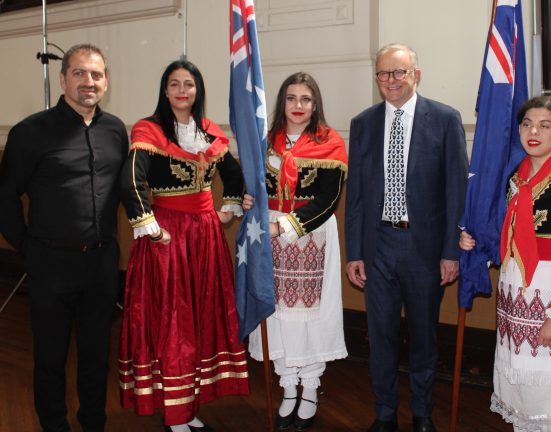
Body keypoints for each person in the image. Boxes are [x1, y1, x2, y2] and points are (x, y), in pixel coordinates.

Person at [0, 44, 127, 432]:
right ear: (63, 79)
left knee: (95, 355)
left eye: (97, 74)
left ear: (105, 81)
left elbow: (129, 191)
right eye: (80, 73)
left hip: (102, 264)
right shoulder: (30, 132)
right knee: (50, 357)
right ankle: (54, 425)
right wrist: (29, 248)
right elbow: (5, 198)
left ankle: (94, 422)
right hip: (50, 264)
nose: (89, 81)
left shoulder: (116, 130)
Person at [118, 60, 248, 432]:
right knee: (173, 321)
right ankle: (175, 412)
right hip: (168, 239)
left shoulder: (208, 131)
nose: (181, 91)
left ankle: (189, 405)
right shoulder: (149, 129)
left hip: (205, 238)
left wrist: (229, 207)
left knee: (201, 318)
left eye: (188, 84)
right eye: (174, 84)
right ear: (164, 90)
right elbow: (132, 182)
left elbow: (234, 177)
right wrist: (151, 227)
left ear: (197, 90)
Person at [345, 43, 469, 432]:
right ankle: (384, 414)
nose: (391, 81)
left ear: (417, 74)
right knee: (380, 336)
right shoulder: (363, 123)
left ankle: (421, 413)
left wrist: (451, 251)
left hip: (425, 250)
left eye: (399, 72)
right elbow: (358, 197)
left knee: (424, 337)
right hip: (378, 246)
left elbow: (456, 193)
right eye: (384, 73)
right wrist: (355, 253)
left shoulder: (446, 120)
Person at [460, 96, 551, 432]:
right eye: (527, 124)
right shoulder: (516, 177)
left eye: (545, 125)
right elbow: (508, 233)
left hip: (550, 290)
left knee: (548, 385)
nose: (533, 131)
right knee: (518, 378)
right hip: (513, 289)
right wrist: (475, 242)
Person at [246, 72, 348, 431]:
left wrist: (287, 226)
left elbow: (328, 198)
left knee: (310, 315)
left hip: (312, 234)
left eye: (306, 99)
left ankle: (309, 387)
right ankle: (287, 385)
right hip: (271, 233)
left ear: (315, 103)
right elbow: (254, 187)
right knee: (278, 313)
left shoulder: (330, 142)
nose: (298, 106)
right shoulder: (265, 142)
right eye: (291, 98)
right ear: (282, 102)